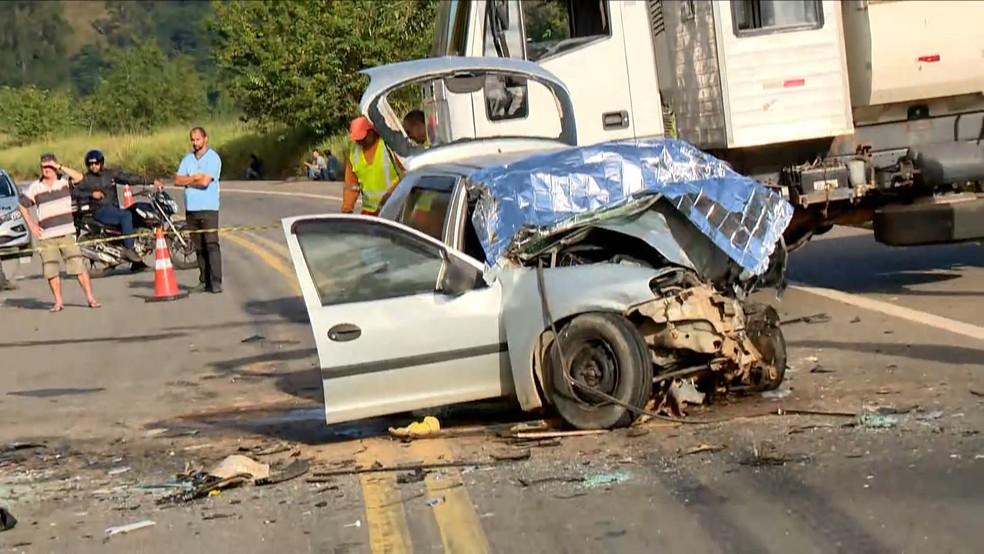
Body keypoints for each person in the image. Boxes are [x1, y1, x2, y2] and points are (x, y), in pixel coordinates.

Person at [17, 154, 100, 311]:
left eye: (49, 166)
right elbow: (22, 205)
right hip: (47, 237)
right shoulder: (35, 187)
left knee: (78, 267)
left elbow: (80, 178)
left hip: (67, 233)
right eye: (43, 167)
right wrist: (32, 225)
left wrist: (60, 166)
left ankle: (91, 298)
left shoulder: (64, 182)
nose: (46, 170)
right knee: (51, 271)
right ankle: (58, 302)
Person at [74, 149, 163, 265]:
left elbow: (129, 178)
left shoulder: (110, 174)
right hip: (100, 210)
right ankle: (129, 249)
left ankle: (137, 261)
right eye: (91, 164)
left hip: (114, 208)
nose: (93, 166)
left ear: (101, 163)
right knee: (125, 216)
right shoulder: (87, 179)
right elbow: (75, 192)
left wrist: (151, 181)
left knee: (135, 211)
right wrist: (91, 194)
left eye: (96, 163)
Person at [173, 127, 223, 293]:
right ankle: (204, 280)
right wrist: (194, 177)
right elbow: (177, 180)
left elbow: (205, 183)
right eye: (193, 140)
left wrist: (190, 180)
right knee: (199, 246)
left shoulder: (213, 158)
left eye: (198, 139)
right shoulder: (187, 159)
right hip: (191, 209)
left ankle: (216, 282)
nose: (195, 143)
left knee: (211, 244)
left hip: (208, 209)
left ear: (205, 139)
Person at [342, 116, 402, 215]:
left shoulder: (388, 145)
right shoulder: (353, 151)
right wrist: (347, 209)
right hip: (369, 212)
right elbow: (351, 185)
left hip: (394, 208)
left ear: (372, 132)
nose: (360, 142)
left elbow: (404, 174)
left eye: (363, 138)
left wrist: (391, 195)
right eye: (357, 139)